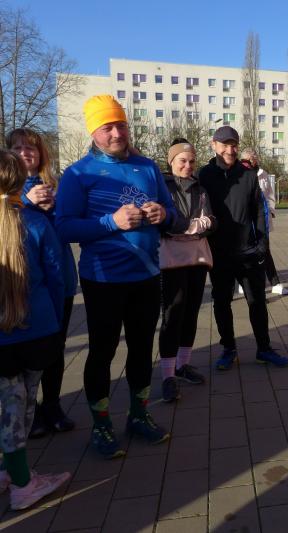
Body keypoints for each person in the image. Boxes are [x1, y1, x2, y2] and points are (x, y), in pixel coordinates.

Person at [56, 94, 176, 458]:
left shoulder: (147, 167)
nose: (116, 133)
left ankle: (139, 415)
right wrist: (112, 221)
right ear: (93, 132)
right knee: (102, 351)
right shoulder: (78, 174)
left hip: (146, 275)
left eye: (121, 125)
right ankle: (102, 424)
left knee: (142, 348)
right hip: (103, 280)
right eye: (107, 127)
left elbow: (172, 212)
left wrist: (162, 215)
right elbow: (63, 227)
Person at [0, 149, 71, 509]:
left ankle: (8, 471)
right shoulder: (36, 223)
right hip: (37, 331)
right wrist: (55, 322)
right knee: (23, 407)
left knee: (8, 405)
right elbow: (58, 279)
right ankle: (23, 485)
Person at [198, 126, 288, 370]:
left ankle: (264, 349)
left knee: (257, 301)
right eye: (225, 145)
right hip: (219, 253)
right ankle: (228, 349)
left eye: (234, 145)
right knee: (221, 302)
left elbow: (259, 211)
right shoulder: (204, 175)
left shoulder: (248, 175)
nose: (230, 150)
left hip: (248, 253)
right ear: (214, 145)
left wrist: (262, 244)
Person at [7, 128, 78, 437]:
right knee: (25, 350)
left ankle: (52, 405)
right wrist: (26, 200)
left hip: (60, 278)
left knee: (55, 347)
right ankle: (30, 410)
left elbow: (69, 231)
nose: (26, 152)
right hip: (22, 285)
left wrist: (56, 210)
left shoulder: (56, 185)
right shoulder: (7, 188)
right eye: (18, 147)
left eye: (31, 147)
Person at [158, 139, 216, 402]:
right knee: (173, 314)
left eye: (192, 161)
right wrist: (193, 226)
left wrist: (190, 226)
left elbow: (212, 221)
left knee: (191, 312)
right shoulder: (162, 187)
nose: (188, 165)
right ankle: (167, 375)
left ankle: (183, 365)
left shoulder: (200, 188)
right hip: (172, 260)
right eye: (182, 160)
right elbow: (167, 224)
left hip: (197, 258)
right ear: (171, 161)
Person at [240, 148, 288, 295]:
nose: (252, 161)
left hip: (262, 219)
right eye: (249, 159)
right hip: (246, 221)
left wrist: (271, 211)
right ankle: (243, 283)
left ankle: (275, 283)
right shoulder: (238, 173)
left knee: (265, 249)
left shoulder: (263, 174)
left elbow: (270, 195)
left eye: (253, 158)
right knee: (246, 251)